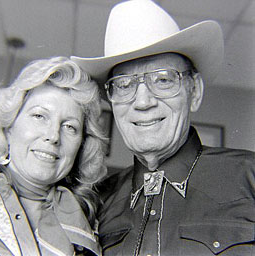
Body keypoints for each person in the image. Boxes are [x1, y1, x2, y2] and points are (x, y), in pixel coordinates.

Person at [71, 0, 255, 255]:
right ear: (111, 101)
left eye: (163, 79)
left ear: (195, 91)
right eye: (124, 85)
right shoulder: (96, 202)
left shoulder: (249, 177)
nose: (143, 101)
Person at [0, 57, 107, 256]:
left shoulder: (89, 225)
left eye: (69, 127)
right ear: (8, 128)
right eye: (39, 116)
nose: (53, 136)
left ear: (81, 146)